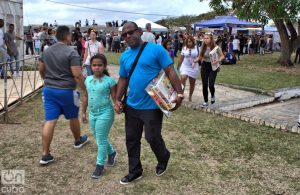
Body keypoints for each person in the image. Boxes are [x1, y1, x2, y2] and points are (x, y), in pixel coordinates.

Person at [114, 22, 184, 185]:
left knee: (152, 137)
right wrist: (118, 99)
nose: (128, 37)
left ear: (139, 32)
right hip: (132, 105)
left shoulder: (156, 49)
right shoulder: (125, 56)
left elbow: (170, 71)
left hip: (153, 105)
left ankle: (163, 156)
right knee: (131, 139)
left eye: (130, 33)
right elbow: (123, 79)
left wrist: (179, 93)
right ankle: (135, 171)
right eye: (124, 35)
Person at [38, 25, 89, 165]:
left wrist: (47, 80)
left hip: (49, 90)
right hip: (67, 91)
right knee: (73, 116)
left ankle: (45, 154)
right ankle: (78, 140)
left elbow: (41, 69)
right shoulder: (71, 52)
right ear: (68, 36)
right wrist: (85, 89)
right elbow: (77, 75)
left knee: (50, 121)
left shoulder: (47, 51)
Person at [82, 54, 117, 179]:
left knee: (101, 139)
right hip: (92, 113)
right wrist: (83, 112)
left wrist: (118, 105)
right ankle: (112, 152)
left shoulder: (110, 81)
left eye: (99, 65)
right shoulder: (87, 79)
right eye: (94, 65)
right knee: (98, 137)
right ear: (90, 66)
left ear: (104, 66)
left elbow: (114, 98)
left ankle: (100, 165)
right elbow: (85, 96)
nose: (97, 68)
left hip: (105, 113)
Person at [194, 33, 224, 107]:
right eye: (204, 38)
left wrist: (218, 60)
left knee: (211, 84)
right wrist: (195, 61)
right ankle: (205, 101)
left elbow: (222, 56)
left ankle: (213, 95)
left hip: (213, 66)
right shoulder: (202, 47)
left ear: (211, 39)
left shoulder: (216, 47)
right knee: (204, 85)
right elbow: (200, 57)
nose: (206, 40)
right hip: (204, 66)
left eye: (207, 38)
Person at [177, 36, 199, 102]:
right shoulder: (184, 48)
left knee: (192, 82)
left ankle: (190, 96)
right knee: (183, 78)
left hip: (194, 67)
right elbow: (181, 58)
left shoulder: (197, 48)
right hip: (185, 66)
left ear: (193, 41)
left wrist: (195, 62)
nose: (188, 43)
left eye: (190, 41)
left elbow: (200, 57)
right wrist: (178, 66)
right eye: (187, 42)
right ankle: (181, 94)